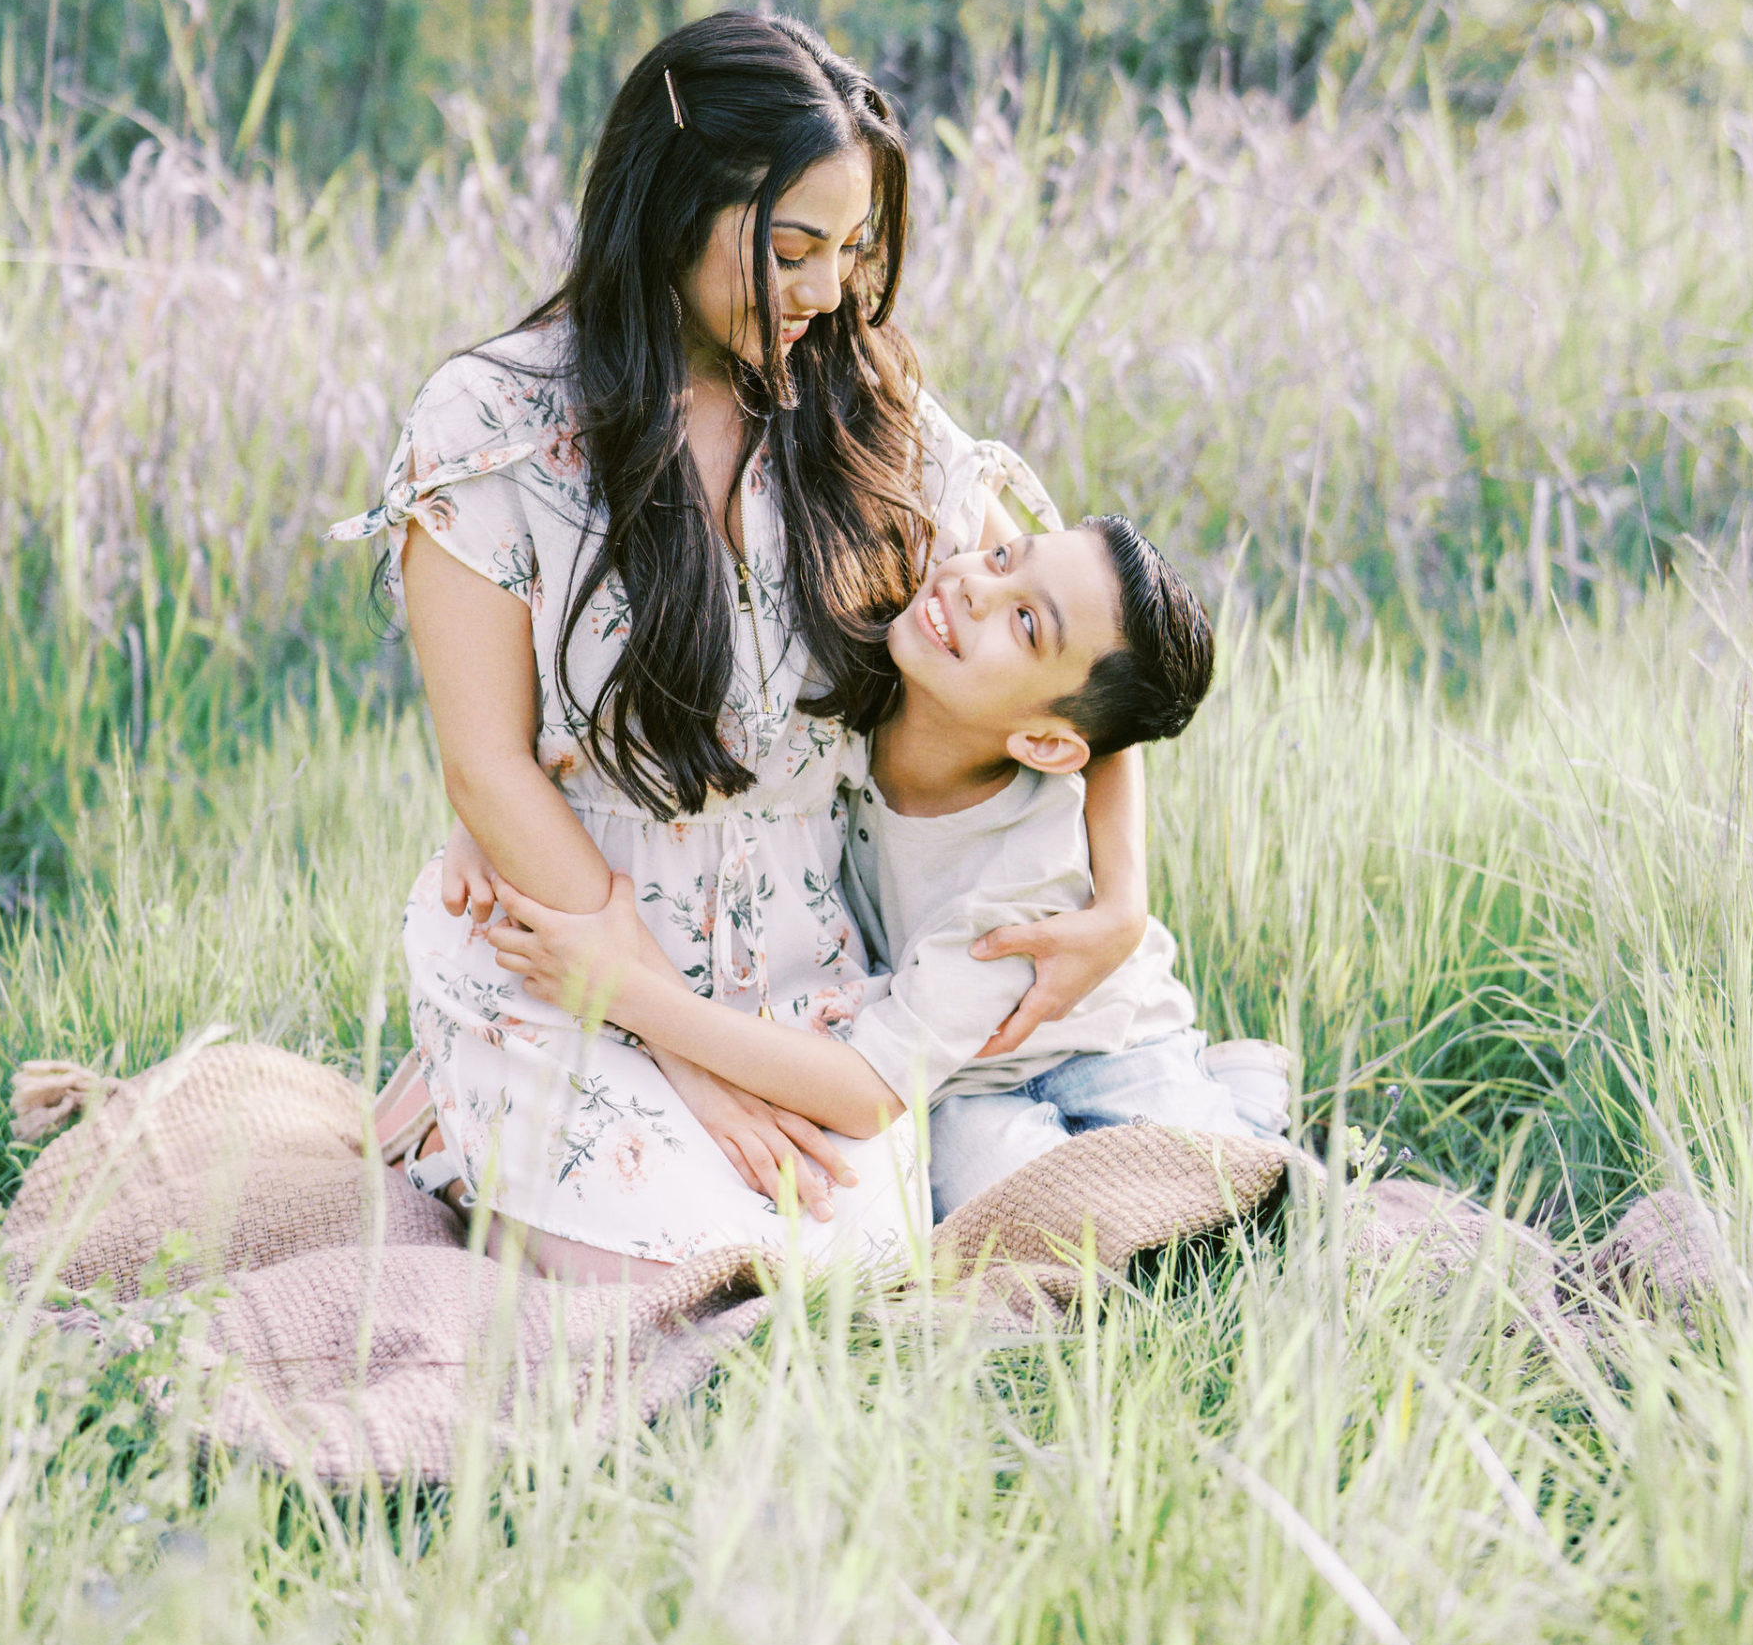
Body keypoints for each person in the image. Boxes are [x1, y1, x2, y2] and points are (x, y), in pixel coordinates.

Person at [329, 11, 1151, 1277]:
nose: (828, 292)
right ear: (668, 208)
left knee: (839, 1284)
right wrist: (672, 1052)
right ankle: (457, 1114)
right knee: (679, 1278)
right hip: (567, 939)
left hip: (796, 977)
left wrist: (1122, 891)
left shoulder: (864, 407)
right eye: (792, 248)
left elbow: (1083, 639)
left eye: (853, 249)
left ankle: (485, 1145)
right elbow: (486, 771)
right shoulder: (493, 423)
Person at [490, 517, 1289, 1228]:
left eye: (1023, 621)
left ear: (1045, 746)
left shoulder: (1023, 880)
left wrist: (621, 992)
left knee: (1213, 1195)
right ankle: (1233, 1097)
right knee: (999, 1200)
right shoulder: (892, 673)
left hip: (1104, 1047)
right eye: (1004, 554)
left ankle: (1244, 1114)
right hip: (962, 1078)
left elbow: (867, 1092)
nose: (977, 583)